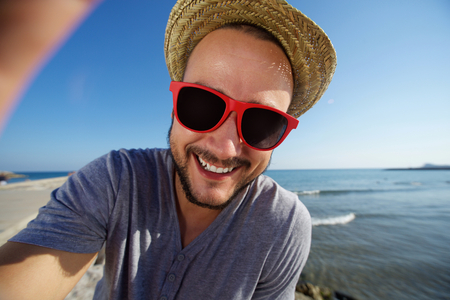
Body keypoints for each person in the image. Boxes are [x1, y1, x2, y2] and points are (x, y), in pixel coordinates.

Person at [0, 0, 336, 299]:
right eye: (203, 105)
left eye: (262, 122)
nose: (225, 146)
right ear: (175, 104)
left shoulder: (285, 224)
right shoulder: (116, 182)